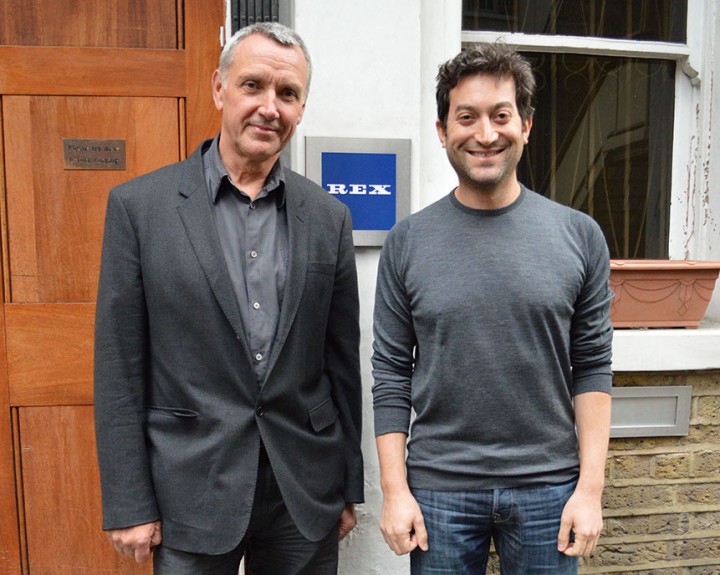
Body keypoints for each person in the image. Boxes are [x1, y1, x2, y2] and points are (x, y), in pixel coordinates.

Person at [94, 22, 363, 575]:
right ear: (219, 87)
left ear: (301, 107)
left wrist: (346, 484)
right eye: (253, 86)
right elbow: (119, 366)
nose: (270, 107)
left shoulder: (328, 218)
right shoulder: (140, 209)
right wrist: (128, 501)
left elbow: (340, 363)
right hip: (189, 487)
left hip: (302, 493)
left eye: (287, 94)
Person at [371, 42, 613, 574]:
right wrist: (395, 490)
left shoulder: (579, 236)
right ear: (442, 131)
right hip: (439, 492)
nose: (485, 134)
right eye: (467, 118)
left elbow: (593, 367)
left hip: (550, 489)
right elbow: (390, 373)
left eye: (501, 116)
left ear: (525, 126)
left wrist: (589, 489)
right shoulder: (407, 242)